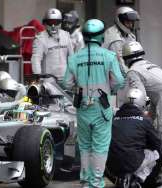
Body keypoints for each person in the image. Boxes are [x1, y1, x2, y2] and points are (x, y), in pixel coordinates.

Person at [63, 19, 124, 187]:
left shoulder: (74, 58)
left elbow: (66, 83)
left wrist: (79, 85)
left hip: (82, 107)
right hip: (102, 106)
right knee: (100, 146)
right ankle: (96, 183)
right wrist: (108, 89)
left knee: (84, 146)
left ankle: (86, 181)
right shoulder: (109, 56)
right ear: (101, 36)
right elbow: (119, 81)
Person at [122, 41, 162, 187]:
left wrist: (133, 115)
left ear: (126, 59)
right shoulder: (150, 65)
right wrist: (149, 117)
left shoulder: (133, 71)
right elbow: (157, 93)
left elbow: (139, 95)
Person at [106, 88, 162, 188]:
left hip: (111, 166)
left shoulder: (114, 118)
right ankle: (138, 179)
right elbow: (157, 143)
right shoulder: (145, 120)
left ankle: (121, 179)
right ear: (142, 102)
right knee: (157, 153)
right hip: (133, 163)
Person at [31, 8, 74, 85]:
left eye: (56, 22)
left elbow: (72, 58)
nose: (53, 26)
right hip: (48, 80)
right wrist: (38, 76)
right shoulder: (40, 38)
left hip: (66, 79)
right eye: (50, 23)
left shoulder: (66, 35)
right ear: (44, 23)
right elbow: (36, 59)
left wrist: (73, 75)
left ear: (60, 23)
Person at [103, 6, 140, 74]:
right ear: (120, 20)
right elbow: (119, 62)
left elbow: (135, 57)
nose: (130, 25)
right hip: (111, 73)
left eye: (132, 22)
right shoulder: (114, 36)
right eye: (127, 22)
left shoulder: (130, 36)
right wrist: (131, 75)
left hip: (121, 71)